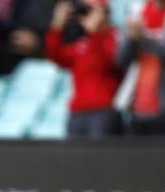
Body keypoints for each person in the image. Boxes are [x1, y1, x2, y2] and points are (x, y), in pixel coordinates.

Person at [45, 0, 124, 139]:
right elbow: (56, 56)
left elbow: (112, 62)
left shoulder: (115, 36)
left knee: (99, 157)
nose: (88, 15)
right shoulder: (83, 43)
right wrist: (57, 26)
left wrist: (95, 33)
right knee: (75, 158)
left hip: (103, 110)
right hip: (78, 110)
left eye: (91, 10)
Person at [115, 0, 165, 136]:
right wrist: (131, 38)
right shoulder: (138, 12)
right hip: (137, 108)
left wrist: (143, 39)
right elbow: (121, 60)